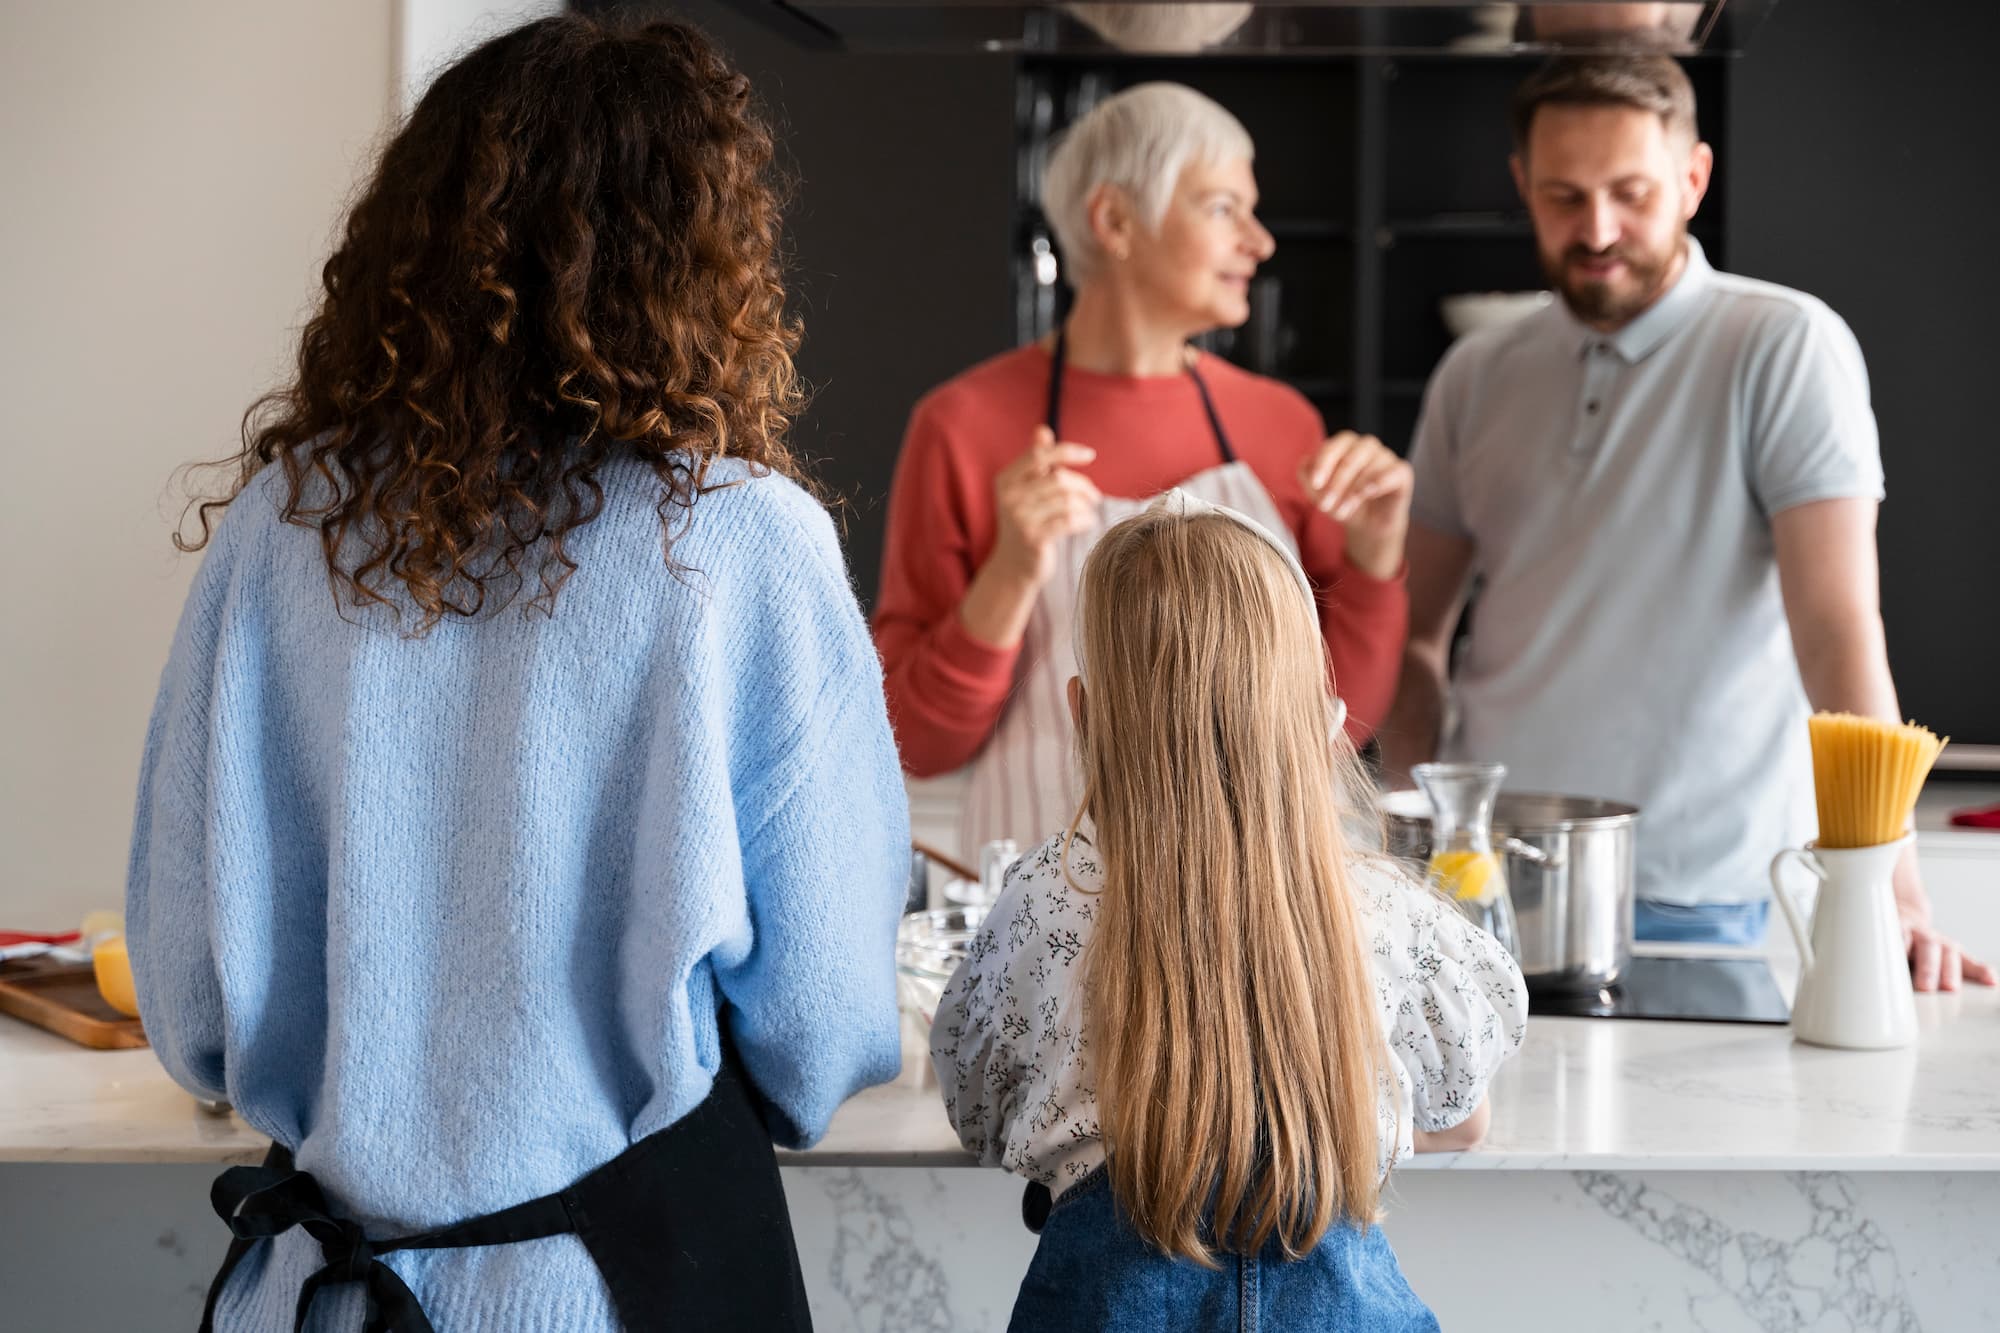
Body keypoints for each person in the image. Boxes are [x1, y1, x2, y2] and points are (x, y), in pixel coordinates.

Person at [125, 17, 909, 1330]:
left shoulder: (280, 534)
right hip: (617, 1291)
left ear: (412, 241)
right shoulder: (737, 542)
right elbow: (825, 1023)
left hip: (327, 1296)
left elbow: (191, 997)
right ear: (701, 255)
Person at [1381, 55, 1992, 989]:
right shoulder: (1477, 374)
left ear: (1693, 178)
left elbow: (1835, 629)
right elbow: (1415, 634)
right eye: (1562, 195)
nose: (1597, 229)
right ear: (1520, 185)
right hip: (1485, 888)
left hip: (1703, 890)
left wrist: (1892, 888)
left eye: (1630, 192)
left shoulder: (1783, 345)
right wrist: (1412, 841)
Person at [931, 493, 1527, 1330]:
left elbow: (979, 1114)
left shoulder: (1044, 901)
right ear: (1321, 725)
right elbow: (1462, 1121)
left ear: (1083, 713)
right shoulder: (1386, 908)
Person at [873, 82, 1413, 858]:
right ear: (1115, 220)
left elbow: (1340, 719)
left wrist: (1374, 554)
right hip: (1047, 916)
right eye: (1225, 208)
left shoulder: (1281, 424)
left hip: (1263, 903)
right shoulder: (963, 425)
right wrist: (1012, 571)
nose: (1260, 243)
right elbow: (919, 743)